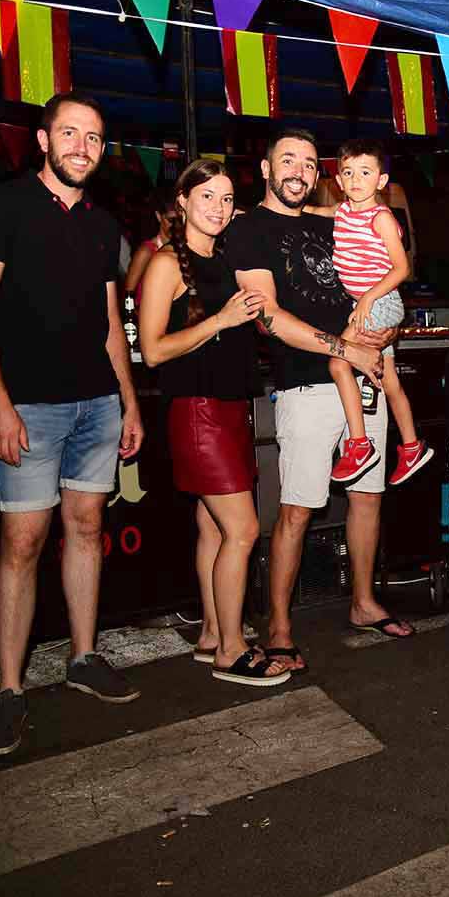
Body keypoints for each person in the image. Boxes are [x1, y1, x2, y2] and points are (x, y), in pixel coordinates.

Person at [0, 92, 145, 756]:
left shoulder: (102, 224)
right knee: (23, 541)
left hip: (97, 403)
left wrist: (128, 400)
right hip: (29, 407)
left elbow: (110, 323)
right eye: (69, 133)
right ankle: (9, 690)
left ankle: (83, 657)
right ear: (43, 140)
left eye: (93, 137)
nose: (81, 147)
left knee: (87, 528)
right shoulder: (2, 207)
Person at [229, 127, 414, 676]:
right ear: (266, 169)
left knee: (368, 496)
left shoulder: (333, 219)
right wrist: (346, 349)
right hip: (307, 381)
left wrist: (387, 332)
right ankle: (279, 628)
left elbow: (382, 270)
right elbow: (268, 316)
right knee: (297, 507)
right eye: (288, 160)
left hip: (366, 372)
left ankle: (364, 602)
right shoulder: (249, 229)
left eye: (310, 163)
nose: (300, 171)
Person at [136, 159, 280, 687]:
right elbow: (153, 350)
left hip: (230, 406)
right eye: (207, 197)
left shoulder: (223, 260)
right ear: (183, 202)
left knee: (213, 527)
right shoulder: (165, 264)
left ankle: (213, 635)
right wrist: (221, 320)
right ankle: (232, 650)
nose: (218, 208)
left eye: (226, 198)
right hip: (198, 412)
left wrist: (250, 319)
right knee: (243, 529)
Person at [302, 140, 432, 485]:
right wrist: (297, 210)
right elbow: (323, 213)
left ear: (381, 180)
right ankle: (412, 447)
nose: (356, 180)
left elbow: (402, 268)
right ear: (338, 181)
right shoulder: (344, 210)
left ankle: (359, 445)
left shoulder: (382, 218)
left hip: (379, 301)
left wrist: (367, 300)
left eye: (364, 172)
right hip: (366, 302)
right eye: (348, 173)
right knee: (390, 382)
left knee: (338, 363)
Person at [122, 186, 177, 298]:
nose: (176, 225)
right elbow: (128, 293)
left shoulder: (183, 247)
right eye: (171, 220)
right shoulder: (146, 251)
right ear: (158, 216)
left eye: (179, 220)